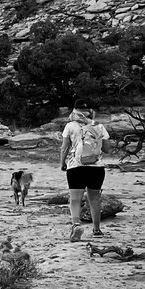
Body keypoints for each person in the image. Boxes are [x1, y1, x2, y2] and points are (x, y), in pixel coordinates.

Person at [59, 100, 110, 237]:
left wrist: (62, 163)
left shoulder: (70, 126)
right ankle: (97, 229)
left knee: (75, 199)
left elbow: (64, 148)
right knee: (94, 198)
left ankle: (76, 225)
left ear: (74, 110)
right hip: (97, 168)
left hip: (76, 166)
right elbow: (107, 149)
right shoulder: (99, 126)